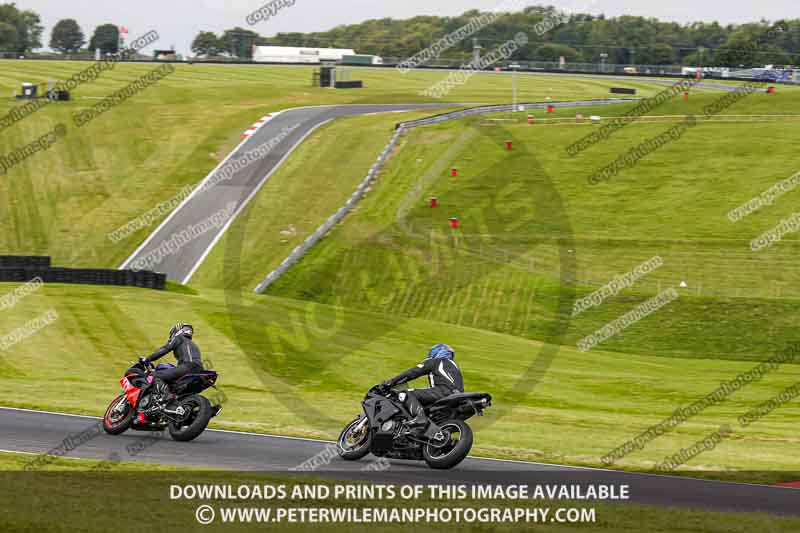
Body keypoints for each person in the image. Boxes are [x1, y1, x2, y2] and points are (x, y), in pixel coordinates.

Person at [380, 344, 463, 430]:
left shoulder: (437, 361)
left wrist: (391, 382)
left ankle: (420, 418)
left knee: (405, 393)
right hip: (457, 397)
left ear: (439, 352)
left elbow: (413, 372)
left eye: (431, 352)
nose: (430, 354)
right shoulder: (455, 367)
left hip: (443, 392)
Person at [140, 323, 203, 403]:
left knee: (154, 375)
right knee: (175, 386)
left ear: (176, 331)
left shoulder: (179, 338)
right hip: (199, 370)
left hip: (187, 367)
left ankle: (165, 396)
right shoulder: (194, 345)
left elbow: (165, 349)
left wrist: (148, 359)